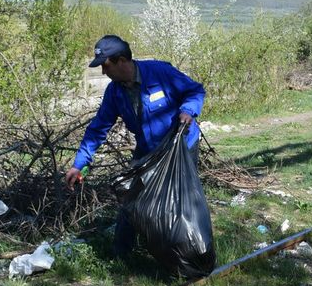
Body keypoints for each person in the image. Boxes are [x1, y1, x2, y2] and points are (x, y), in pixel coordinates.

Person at [65, 35, 206, 255]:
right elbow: (98, 128)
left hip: (180, 147)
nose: (103, 71)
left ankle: (187, 251)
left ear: (121, 60)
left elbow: (195, 91)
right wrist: (79, 164)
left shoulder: (160, 73)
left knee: (181, 199)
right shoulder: (115, 92)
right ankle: (122, 254)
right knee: (133, 197)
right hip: (148, 149)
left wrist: (188, 110)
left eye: (105, 65)